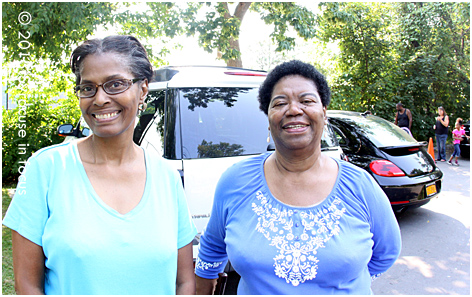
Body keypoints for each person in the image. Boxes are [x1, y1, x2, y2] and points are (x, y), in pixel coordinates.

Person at [2, 35, 197, 295]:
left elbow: (183, 282)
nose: (100, 98)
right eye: (88, 88)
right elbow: (27, 285)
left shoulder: (166, 177)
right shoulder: (44, 170)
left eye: (115, 84)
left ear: (143, 90)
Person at [195, 60, 401, 294]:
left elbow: (387, 252)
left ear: (324, 113)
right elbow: (212, 249)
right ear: (269, 117)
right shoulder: (235, 181)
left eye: (307, 101)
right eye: (280, 103)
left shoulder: (361, 186)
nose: (293, 110)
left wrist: (349, 282)